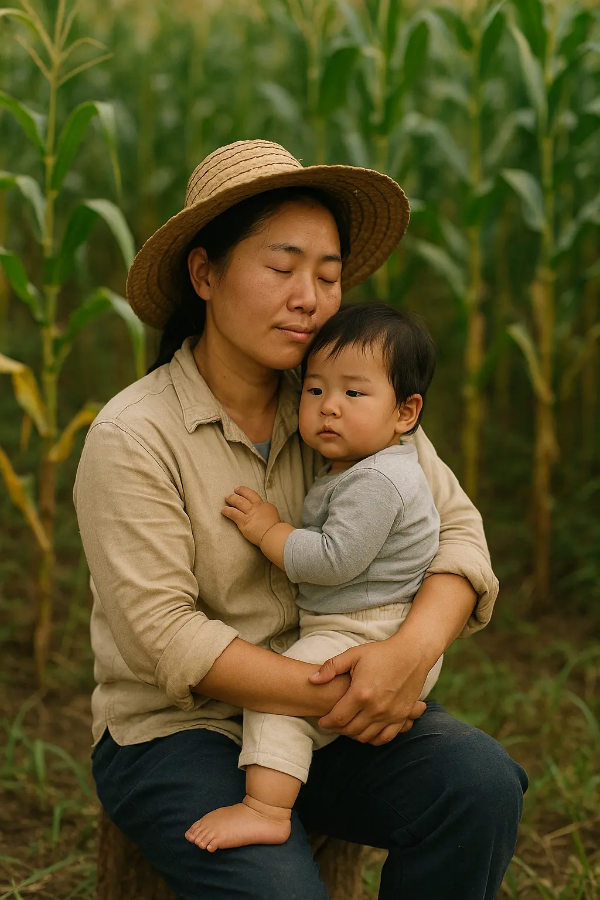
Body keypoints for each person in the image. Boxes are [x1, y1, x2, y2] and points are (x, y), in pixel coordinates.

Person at [74, 140, 527, 900]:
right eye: (281, 269)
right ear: (206, 273)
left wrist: (410, 653)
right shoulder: (134, 436)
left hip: (338, 717)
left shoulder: (344, 395)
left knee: (479, 788)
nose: (309, 298)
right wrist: (339, 694)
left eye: (327, 276)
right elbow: (166, 634)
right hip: (185, 733)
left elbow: (457, 531)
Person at [186, 302, 445, 851]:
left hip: (369, 636)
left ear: (406, 412)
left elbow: (331, 560)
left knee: (277, 697)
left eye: (353, 394)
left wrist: (267, 530)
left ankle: (265, 807)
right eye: (315, 390)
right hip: (363, 629)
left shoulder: (379, 479)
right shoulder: (363, 461)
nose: (329, 408)